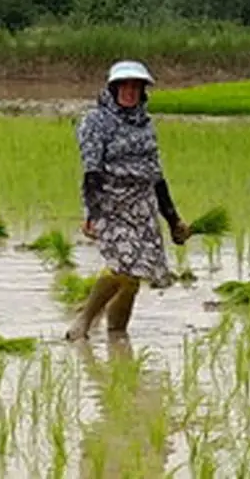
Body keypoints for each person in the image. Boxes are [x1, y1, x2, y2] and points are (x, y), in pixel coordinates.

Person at [66, 60, 191, 341]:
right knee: (121, 265)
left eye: (136, 86)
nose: (130, 92)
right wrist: (91, 214)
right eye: (125, 85)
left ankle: (118, 336)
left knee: (134, 275)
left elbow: (156, 175)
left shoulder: (146, 125)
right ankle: (83, 321)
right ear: (113, 88)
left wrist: (173, 219)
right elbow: (92, 171)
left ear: (143, 92)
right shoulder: (95, 122)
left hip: (142, 204)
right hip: (110, 202)